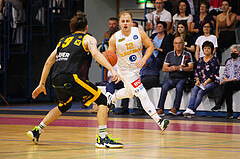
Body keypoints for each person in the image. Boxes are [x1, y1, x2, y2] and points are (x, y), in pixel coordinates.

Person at [27, 11, 123, 148]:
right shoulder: (88, 39)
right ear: (87, 27)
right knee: (102, 100)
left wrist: (41, 84)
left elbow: (48, 62)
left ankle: (37, 130)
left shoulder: (63, 40)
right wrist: (112, 70)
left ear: (71, 28)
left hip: (55, 78)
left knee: (64, 105)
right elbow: (95, 54)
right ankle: (102, 138)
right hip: (70, 77)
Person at [107, 11, 170, 130]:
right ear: (120, 23)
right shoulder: (114, 38)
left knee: (130, 93)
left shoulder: (139, 32)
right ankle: (159, 121)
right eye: (123, 21)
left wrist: (144, 58)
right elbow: (110, 56)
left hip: (136, 70)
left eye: (127, 21)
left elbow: (150, 46)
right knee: (142, 94)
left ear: (131, 22)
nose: (125, 23)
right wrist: (112, 71)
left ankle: (111, 98)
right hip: (124, 71)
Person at [157, 37, 194, 116]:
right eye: (176, 43)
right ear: (173, 44)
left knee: (179, 87)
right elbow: (164, 68)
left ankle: (175, 108)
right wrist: (172, 68)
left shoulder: (187, 54)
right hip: (172, 78)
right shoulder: (169, 54)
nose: (178, 45)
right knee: (164, 87)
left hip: (183, 78)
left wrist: (179, 68)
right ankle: (160, 108)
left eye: (180, 43)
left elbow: (191, 68)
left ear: (183, 44)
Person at [183, 41, 220, 117]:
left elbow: (214, 74)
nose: (206, 50)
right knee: (194, 90)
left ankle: (192, 110)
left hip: (212, 81)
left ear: (212, 50)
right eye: (205, 48)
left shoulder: (215, 60)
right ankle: (189, 109)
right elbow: (197, 71)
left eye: (208, 48)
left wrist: (205, 82)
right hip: (201, 81)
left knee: (200, 92)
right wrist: (197, 80)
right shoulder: (200, 60)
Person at [211, 44, 240, 119]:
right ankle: (229, 113)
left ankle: (219, 104)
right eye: (232, 51)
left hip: (238, 82)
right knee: (228, 89)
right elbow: (225, 74)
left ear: (239, 53)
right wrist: (225, 79)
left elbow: (238, 76)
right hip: (229, 82)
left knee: (227, 85)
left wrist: (228, 81)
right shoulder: (228, 61)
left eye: (235, 51)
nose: (233, 53)